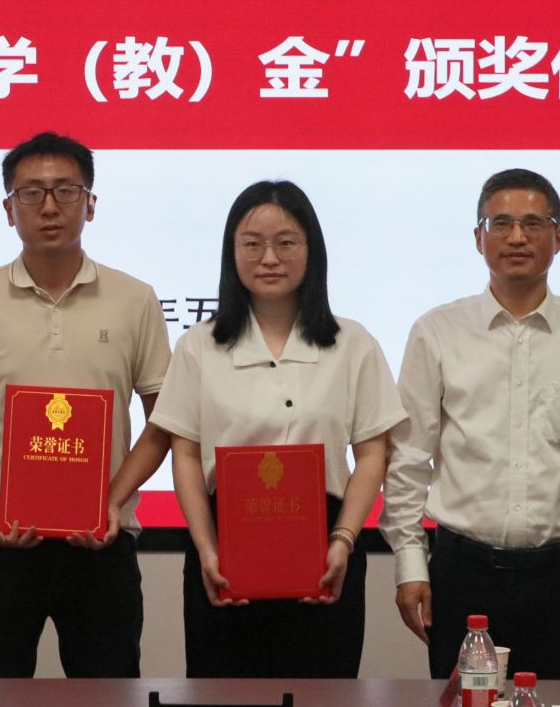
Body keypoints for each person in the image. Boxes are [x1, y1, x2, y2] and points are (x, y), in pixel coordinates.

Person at [379, 167, 560, 682]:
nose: (517, 237)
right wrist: (410, 565)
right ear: (478, 237)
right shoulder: (436, 332)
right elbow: (408, 462)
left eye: (533, 223)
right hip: (462, 575)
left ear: (558, 238)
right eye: (500, 223)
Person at [0, 132, 173, 678]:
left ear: (91, 203)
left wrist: (112, 501)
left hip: (102, 541)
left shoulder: (135, 299)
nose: (50, 206)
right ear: (9, 210)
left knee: (108, 706)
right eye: (32, 193)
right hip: (2, 539)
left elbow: (164, 421)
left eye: (66, 190)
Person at [151, 180, 403, 677]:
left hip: (326, 549)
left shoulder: (353, 344)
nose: (269, 258)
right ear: (232, 252)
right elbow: (186, 453)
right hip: (225, 548)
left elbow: (373, 453)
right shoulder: (199, 346)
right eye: (252, 243)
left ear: (312, 250)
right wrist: (206, 549)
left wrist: (344, 540)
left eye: (286, 242)